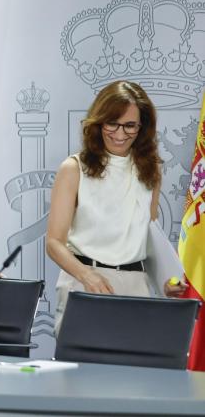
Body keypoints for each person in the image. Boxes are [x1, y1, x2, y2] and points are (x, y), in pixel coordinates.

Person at [47, 80, 165, 332]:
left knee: (136, 359)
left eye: (130, 125)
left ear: (142, 127)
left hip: (137, 288)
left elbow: (150, 238)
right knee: (81, 358)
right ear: (98, 122)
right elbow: (54, 242)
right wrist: (86, 275)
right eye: (112, 123)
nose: (120, 134)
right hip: (84, 282)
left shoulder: (152, 169)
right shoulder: (74, 168)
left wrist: (166, 281)